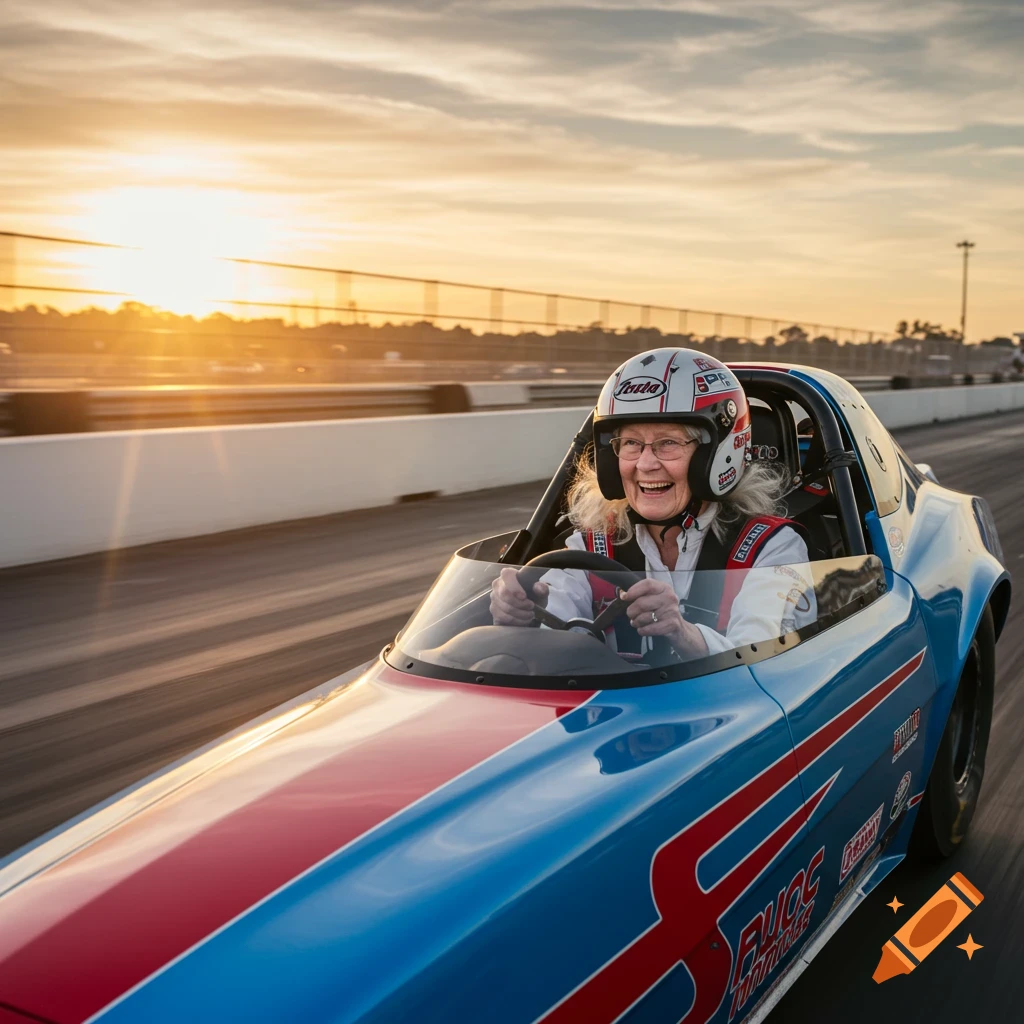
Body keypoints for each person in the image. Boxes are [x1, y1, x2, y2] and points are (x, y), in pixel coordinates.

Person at [490, 347, 816, 661]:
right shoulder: (593, 542)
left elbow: (769, 659)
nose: (645, 464)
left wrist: (683, 634)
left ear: (716, 454)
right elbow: (557, 619)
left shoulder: (773, 548)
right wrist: (526, 611)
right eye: (631, 443)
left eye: (668, 443)